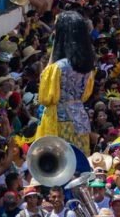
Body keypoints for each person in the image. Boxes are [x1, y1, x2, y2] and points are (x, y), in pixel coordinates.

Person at [36, 11, 96, 154]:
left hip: (59, 122)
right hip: (81, 120)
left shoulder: (57, 67)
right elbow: (85, 95)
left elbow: (45, 97)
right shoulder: (88, 67)